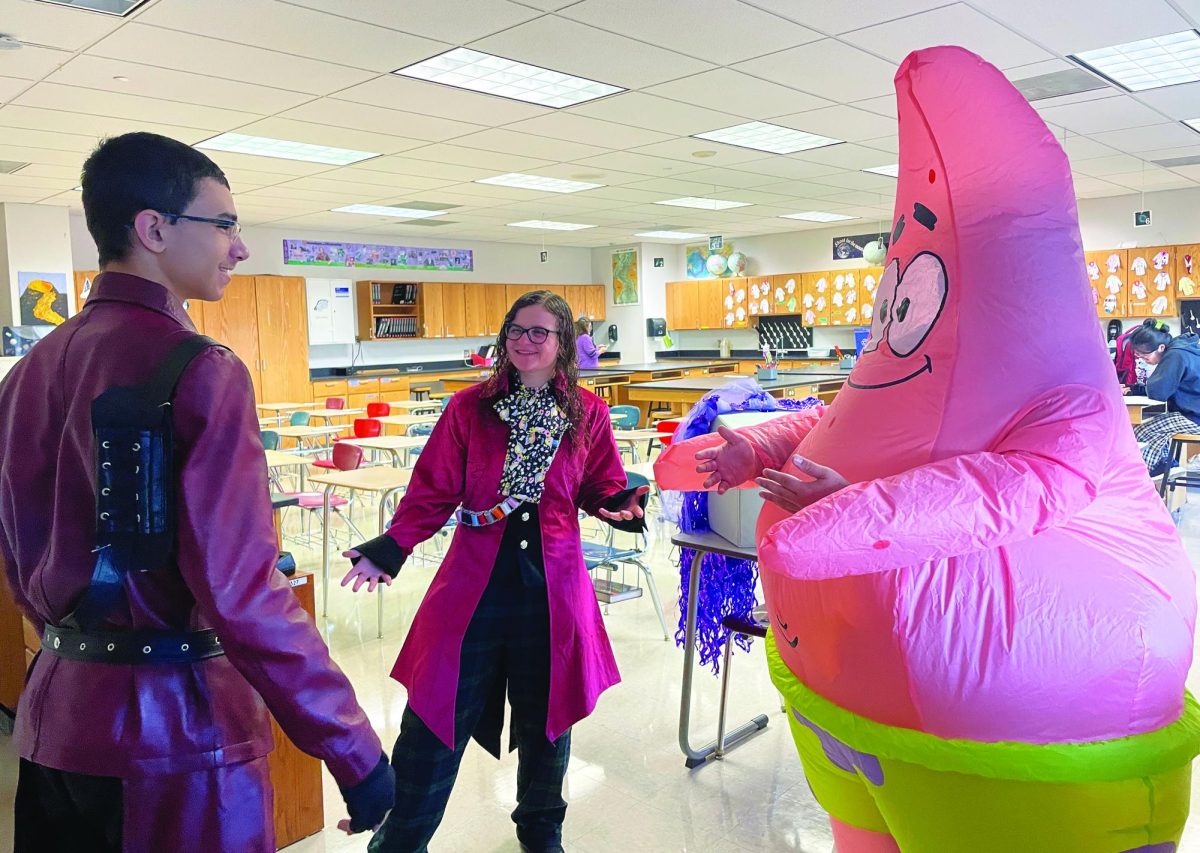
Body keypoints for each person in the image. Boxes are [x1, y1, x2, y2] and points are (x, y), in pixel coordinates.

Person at [0, 132, 393, 852]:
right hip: (174, 740)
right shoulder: (200, 367)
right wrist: (354, 746)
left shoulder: (28, 371)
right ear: (153, 228)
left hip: (52, 715)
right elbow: (241, 593)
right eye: (225, 224)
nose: (239, 247)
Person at [341, 290, 649, 853]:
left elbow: (599, 482)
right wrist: (392, 545)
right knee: (435, 716)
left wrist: (618, 501)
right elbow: (432, 490)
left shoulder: (588, 413)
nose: (524, 342)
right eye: (516, 330)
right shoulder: (470, 409)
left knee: (548, 720)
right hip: (472, 590)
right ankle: (401, 837)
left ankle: (541, 832)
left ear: (563, 345)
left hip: (552, 590)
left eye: (539, 333)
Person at [1128, 318, 1200, 475]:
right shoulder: (1183, 348)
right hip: (1193, 411)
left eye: (1145, 356)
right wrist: (1133, 390)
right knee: (1159, 423)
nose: (1141, 359)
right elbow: (1166, 385)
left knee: (1141, 432)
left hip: (1195, 417)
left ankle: (1147, 473)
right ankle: (1164, 463)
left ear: (1161, 347)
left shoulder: (1175, 355)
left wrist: (1134, 390)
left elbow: (1158, 392)